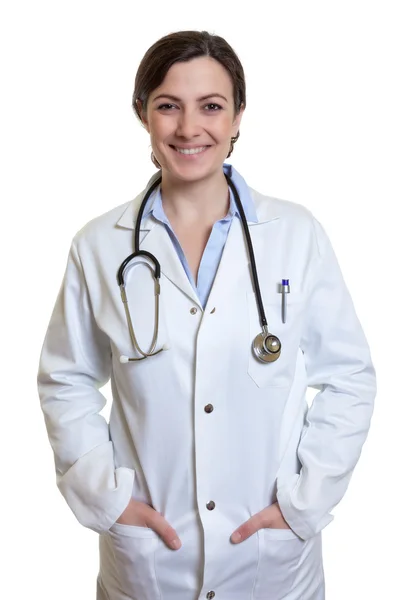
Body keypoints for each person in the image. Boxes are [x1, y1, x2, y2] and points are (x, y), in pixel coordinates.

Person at [37, 30, 377, 600]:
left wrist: (305, 501)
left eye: (211, 106)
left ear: (238, 116)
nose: (189, 128)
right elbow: (65, 380)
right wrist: (109, 498)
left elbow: (348, 379)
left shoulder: (295, 235)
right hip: (151, 565)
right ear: (142, 113)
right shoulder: (99, 245)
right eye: (168, 106)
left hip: (271, 563)